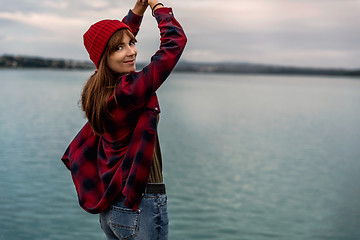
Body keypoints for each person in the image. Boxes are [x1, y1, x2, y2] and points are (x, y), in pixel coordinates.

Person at [61, 0, 187, 239]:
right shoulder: (129, 92)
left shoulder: (99, 88)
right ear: (104, 57)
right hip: (140, 205)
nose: (131, 51)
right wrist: (158, 7)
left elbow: (110, 45)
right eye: (119, 48)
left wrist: (136, 12)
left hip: (113, 209)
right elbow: (174, 45)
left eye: (132, 43)